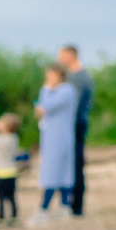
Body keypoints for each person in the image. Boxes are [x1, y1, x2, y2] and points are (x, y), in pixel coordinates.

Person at [32, 66, 79, 219]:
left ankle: (45, 209)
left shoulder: (66, 90)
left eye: (50, 76)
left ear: (59, 75)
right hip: (50, 136)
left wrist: (45, 90)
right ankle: (63, 206)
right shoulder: (53, 90)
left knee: (55, 172)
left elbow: (46, 106)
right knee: (58, 170)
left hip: (61, 136)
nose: (48, 79)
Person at [57, 46, 94, 217]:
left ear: (71, 55)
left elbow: (75, 107)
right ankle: (70, 204)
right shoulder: (76, 76)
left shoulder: (79, 77)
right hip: (73, 125)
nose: (58, 58)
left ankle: (75, 206)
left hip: (74, 125)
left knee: (75, 164)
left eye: (61, 55)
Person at [0, 113, 23, 225]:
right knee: (12, 197)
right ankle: (14, 217)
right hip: (11, 171)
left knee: (0, 198)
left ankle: (1, 218)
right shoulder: (14, 139)